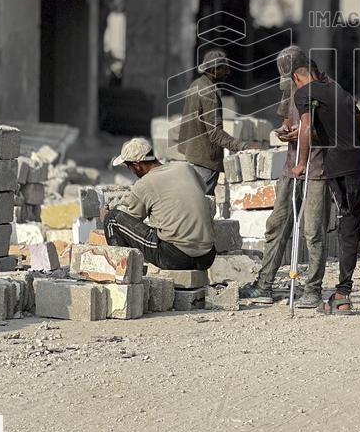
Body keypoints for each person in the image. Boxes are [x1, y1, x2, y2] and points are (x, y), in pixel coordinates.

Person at [240, 47, 329, 309]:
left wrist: (307, 136)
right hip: (292, 166)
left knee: (313, 231)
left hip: (317, 168)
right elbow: (289, 120)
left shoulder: (326, 89)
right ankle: (264, 284)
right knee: (277, 224)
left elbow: (332, 134)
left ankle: (313, 288)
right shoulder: (292, 87)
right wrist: (288, 131)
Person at [290, 57, 360, 315]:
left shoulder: (304, 93)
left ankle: (340, 294)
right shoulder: (340, 92)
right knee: (351, 225)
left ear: (297, 77)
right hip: (357, 164)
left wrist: (301, 163)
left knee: (342, 225)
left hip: (337, 167)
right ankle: (343, 294)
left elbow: (306, 128)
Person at [101, 137, 217, 270]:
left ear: (137, 165)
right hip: (207, 256)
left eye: (129, 167)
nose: (131, 172)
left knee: (112, 220)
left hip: (176, 258)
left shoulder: (144, 183)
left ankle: (123, 274)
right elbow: (200, 191)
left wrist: (107, 214)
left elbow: (132, 220)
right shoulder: (185, 168)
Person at [177, 48, 259, 195]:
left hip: (193, 155)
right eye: (224, 68)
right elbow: (215, 134)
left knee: (196, 200)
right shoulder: (210, 94)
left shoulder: (196, 85)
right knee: (203, 205)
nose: (228, 72)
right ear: (214, 70)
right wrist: (243, 145)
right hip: (205, 161)